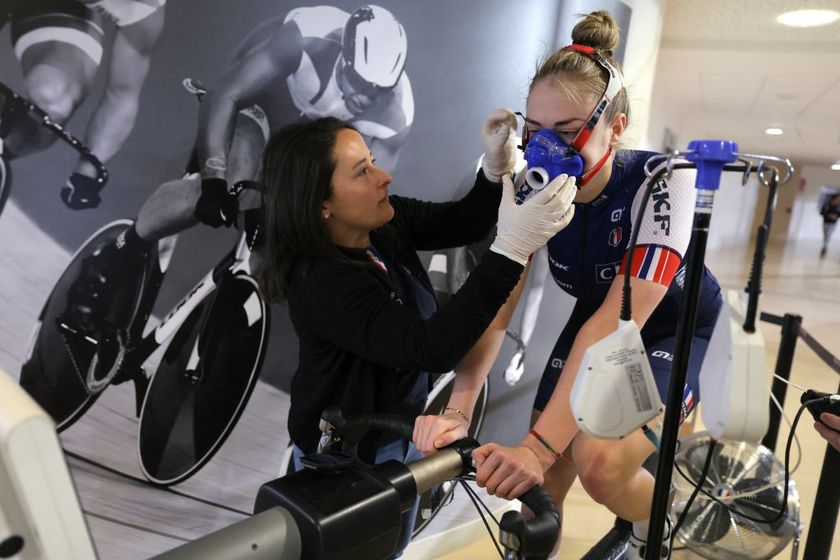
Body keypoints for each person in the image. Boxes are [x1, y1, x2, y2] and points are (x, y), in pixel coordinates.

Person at [465, 11, 723, 559]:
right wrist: (459, 405)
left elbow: (617, 324)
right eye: (534, 132)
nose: (546, 153)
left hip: (672, 325)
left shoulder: (664, 181)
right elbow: (498, 303)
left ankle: (661, 517)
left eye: (566, 133)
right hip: (600, 315)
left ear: (617, 126)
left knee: (599, 465)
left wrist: (535, 445)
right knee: (539, 488)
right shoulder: (530, 181)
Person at [258, 115, 576, 557]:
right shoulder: (322, 283)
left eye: (372, 161)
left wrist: (493, 169)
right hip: (341, 463)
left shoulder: (380, 225)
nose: (383, 175)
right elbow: (430, 347)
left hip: (391, 445)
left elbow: (464, 223)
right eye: (362, 172)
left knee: (389, 548)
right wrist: (512, 250)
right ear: (321, 205)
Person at [65, 3, 415, 327]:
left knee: (280, 247)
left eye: (377, 90)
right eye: (358, 82)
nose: (364, 97)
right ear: (344, 56)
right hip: (263, 101)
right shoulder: (305, 38)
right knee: (226, 181)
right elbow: (226, 95)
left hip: (310, 144)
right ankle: (116, 256)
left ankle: (217, 331)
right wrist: (215, 179)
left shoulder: (395, 115)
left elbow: (363, 199)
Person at [0, 0, 166, 209]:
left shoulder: (143, 7)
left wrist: (87, 171)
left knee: (54, 101)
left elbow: (122, 95)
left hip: (54, 7)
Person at [820, 192, 840, 259]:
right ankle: (825, 245)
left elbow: (838, 214)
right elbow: (822, 212)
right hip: (826, 222)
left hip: (833, 223)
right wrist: (829, 215)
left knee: (828, 234)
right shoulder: (827, 204)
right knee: (825, 234)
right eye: (838, 198)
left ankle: (825, 248)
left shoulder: (838, 206)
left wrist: (835, 216)